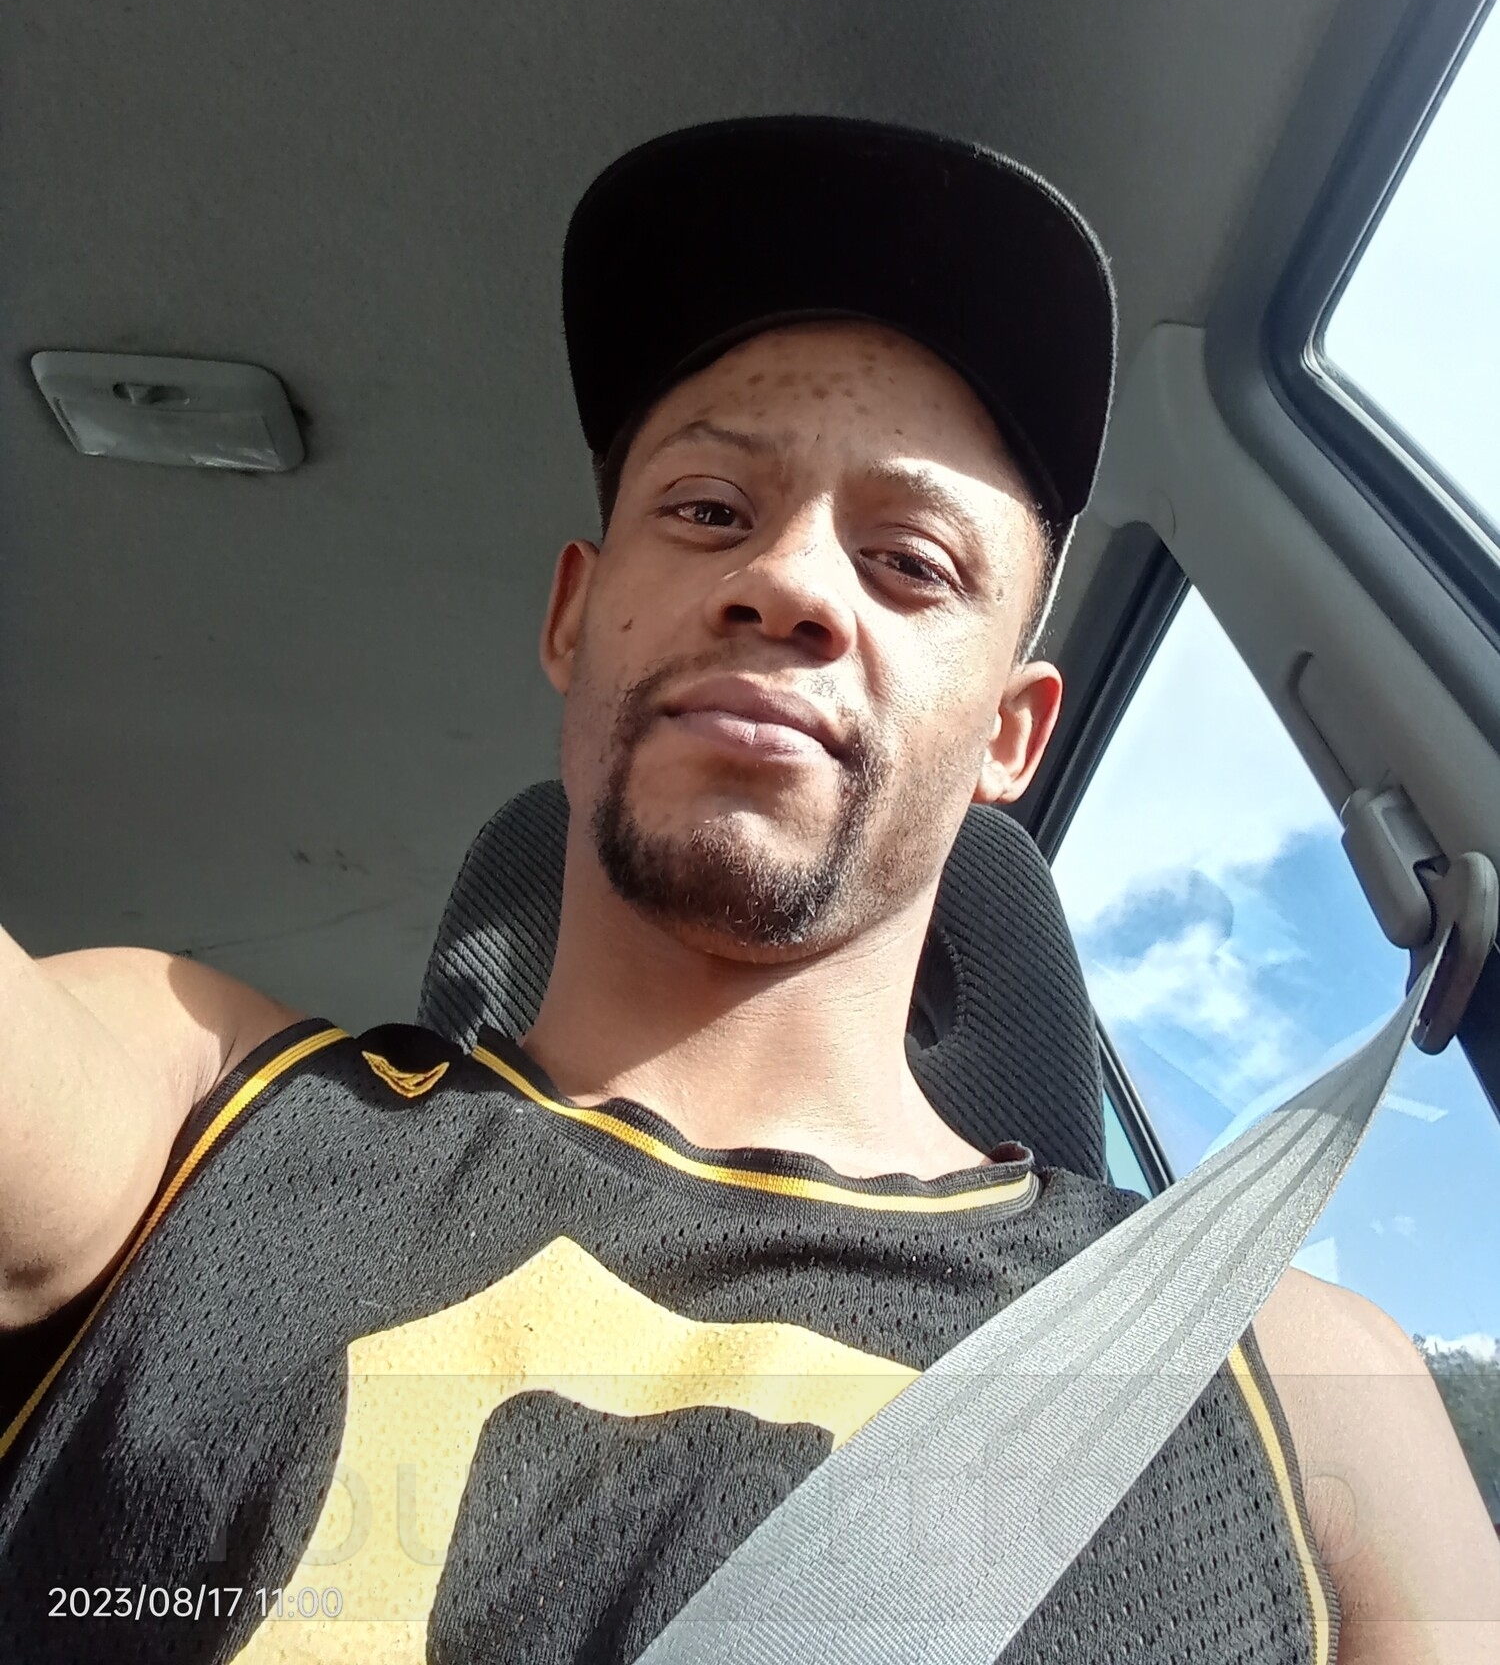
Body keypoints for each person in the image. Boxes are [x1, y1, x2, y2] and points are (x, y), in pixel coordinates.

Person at [1, 118, 1496, 1663]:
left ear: (1011, 733)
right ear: (575, 614)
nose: (787, 581)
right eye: (710, 510)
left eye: (912, 563)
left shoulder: (1295, 1388)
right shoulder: (187, 1099)